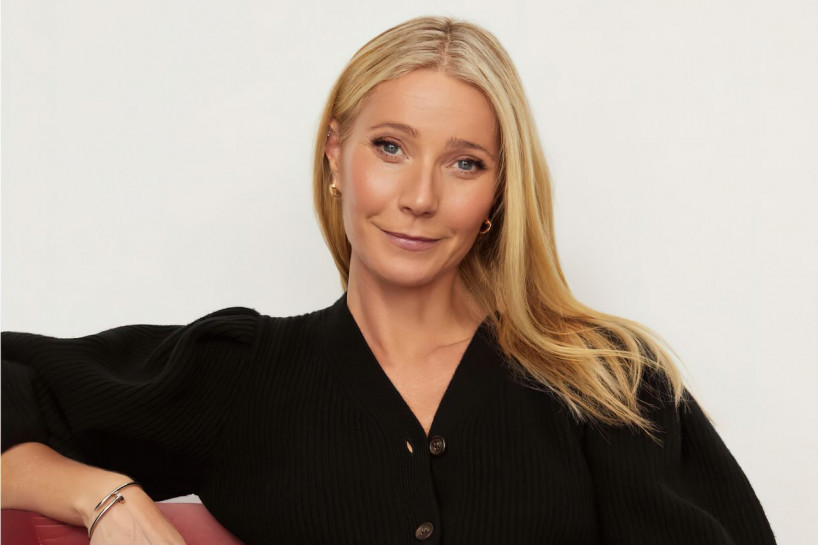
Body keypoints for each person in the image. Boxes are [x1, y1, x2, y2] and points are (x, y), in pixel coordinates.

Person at [1, 15, 776, 545]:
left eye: (464, 162)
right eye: (391, 147)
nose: (420, 197)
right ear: (336, 155)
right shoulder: (242, 373)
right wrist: (102, 498)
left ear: (499, 192)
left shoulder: (606, 381)